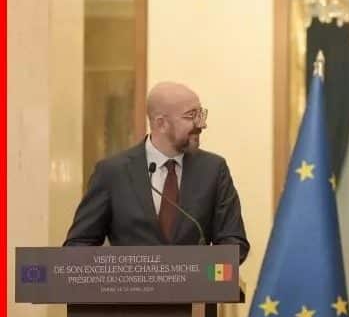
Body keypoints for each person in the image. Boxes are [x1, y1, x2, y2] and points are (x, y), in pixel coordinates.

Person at [64, 82, 249, 264]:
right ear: (161, 124)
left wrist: (199, 267)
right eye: (191, 116)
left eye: (200, 114)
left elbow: (234, 243)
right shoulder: (112, 172)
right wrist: (117, 268)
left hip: (196, 284)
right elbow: (78, 245)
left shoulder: (213, 169)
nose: (201, 124)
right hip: (130, 283)